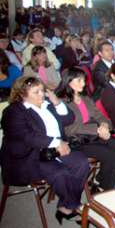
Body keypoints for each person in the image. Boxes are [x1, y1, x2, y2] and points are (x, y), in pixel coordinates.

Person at [0, 77, 89, 224]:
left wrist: (57, 103)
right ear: (22, 94)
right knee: (61, 173)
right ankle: (73, 206)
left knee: (82, 163)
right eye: (36, 92)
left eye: (42, 90)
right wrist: (56, 143)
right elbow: (26, 136)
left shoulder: (47, 104)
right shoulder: (13, 111)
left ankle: (66, 204)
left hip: (55, 149)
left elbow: (69, 119)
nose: (41, 94)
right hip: (30, 155)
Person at [57, 67, 115, 192]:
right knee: (110, 154)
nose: (83, 84)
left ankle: (99, 179)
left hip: (94, 135)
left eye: (83, 80)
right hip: (77, 141)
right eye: (79, 81)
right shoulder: (62, 103)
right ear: (68, 82)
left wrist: (104, 125)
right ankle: (104, 189)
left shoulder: (85, 98)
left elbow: (100, 115)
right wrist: (97, 129)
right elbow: (70, 129)